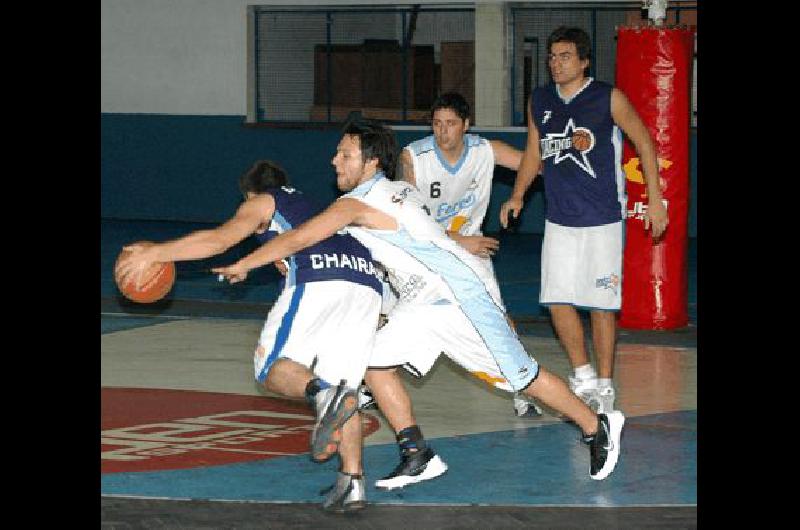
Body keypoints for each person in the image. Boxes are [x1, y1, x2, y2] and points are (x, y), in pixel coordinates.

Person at [213, 119, 626, 492]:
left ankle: (596, 427)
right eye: (337, 152)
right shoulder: (389, 192)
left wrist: (247, 262)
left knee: (522, 378)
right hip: (421, 302)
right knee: (370, 364)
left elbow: (305, 236)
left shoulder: (357, 204)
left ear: (372, 161)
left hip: (458, 298)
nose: (334, 160)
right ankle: (417, 453)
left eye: (345, 154)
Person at [114, 160, 384, 513]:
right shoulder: (316, 206)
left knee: (270, 366)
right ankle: (353, 483)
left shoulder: (265, 200)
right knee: (345, 382)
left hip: (323, 278)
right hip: (367, 285)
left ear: (250, 193)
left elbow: (219, 240)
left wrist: (156, 253)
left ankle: (324, 395)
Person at [500, 26, 669, 414]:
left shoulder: (607, 97)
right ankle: (583, 377)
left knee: (601, 305)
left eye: (564, 56)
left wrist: (655, 199)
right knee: (557, 300)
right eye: (552, 57)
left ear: (584, 60)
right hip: (559, 219)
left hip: (603, 217)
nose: (555, 63)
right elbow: (533, 151)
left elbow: (644, 142)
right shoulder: (540, 99)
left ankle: (605, 386)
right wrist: (518, 194)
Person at [378, 91, 542, 418]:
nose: (443, 131)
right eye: (437, 124)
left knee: (497, 319)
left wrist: (568, 173)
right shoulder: (413, 158)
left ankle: (523, 388)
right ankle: (371, 382)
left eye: (451, 124)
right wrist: (456, 240)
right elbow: (408, 218)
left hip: (469, 253)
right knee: (382, 314)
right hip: (421, 253)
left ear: (466, 125)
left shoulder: (486, 150)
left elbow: (532, 165)